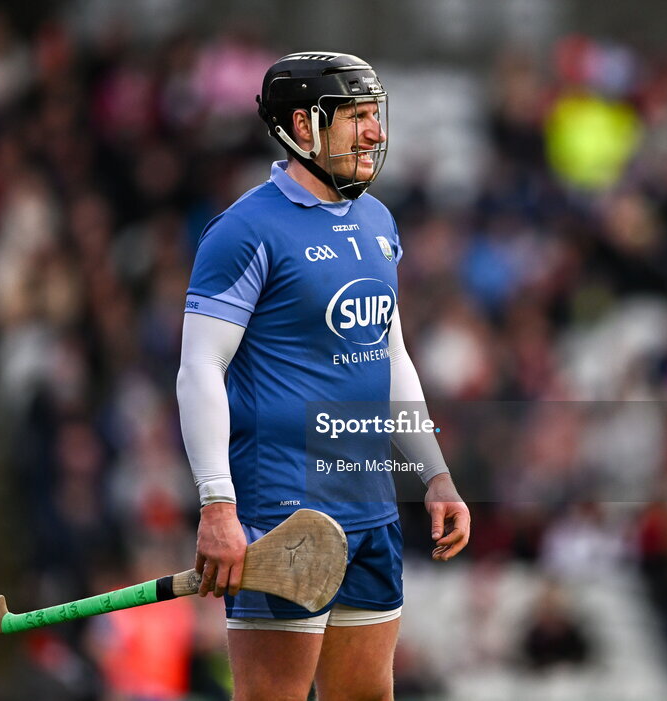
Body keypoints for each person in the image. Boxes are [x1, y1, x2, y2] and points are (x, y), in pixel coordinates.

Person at [176, 52, 470, 700]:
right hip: (282, 509)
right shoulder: (244, 231)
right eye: (356, 118)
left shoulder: (377, 222)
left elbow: (389, 355)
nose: (375, 133)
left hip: (369, 507)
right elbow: (199, 366)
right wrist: (218, 503)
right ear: (301, 128)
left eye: (375, 116)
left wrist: (434, 473)